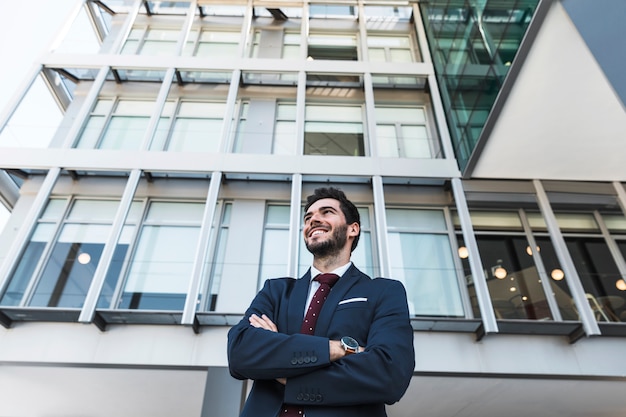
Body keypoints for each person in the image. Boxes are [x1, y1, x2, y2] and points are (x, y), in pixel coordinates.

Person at [227, 187, 415, 417]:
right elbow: (240, 353)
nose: (314, 219)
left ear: (352, 229)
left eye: (326, 212)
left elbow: (389, 374)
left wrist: (281, 364)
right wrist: (339, 348)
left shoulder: (384, 291)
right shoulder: (276, 291)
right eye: (308, 217)